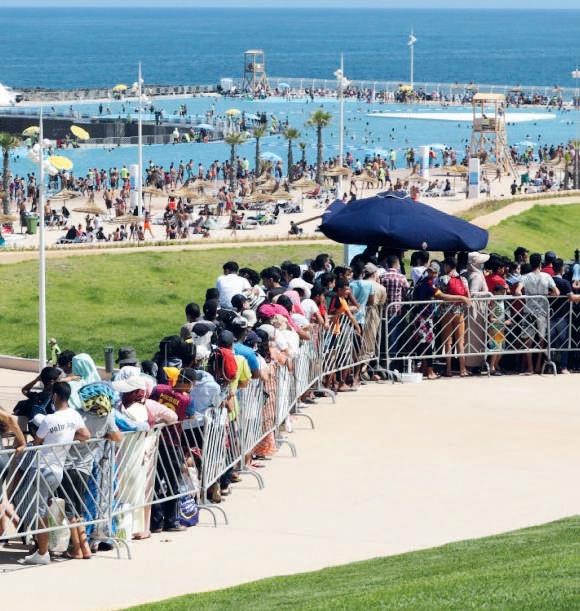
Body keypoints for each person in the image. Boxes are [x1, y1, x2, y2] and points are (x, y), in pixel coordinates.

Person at [22, 382, 90, 565]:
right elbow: (86, 435)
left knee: (39, 512)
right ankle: (41, 549)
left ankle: (42, 552)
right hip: (58, 469)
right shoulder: (74, 416)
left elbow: (37, 442)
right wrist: (67, 437)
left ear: (55, 396)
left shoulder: (49, 419)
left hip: (43, 468)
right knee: (42, 509)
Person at [521, 252, 559, 374]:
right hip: (542, 310)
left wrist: (526, 296)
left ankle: (530, 367)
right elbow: (557, 293)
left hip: (529, 310)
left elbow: (517, 291)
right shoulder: (546, 276)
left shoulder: (525, 277)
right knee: (541, 339)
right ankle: (538, 366)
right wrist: (547, 296)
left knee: (528, 340)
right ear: (540, 264)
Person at [438, 257, 472, 377]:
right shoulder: (463, 279)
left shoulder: (443, 278)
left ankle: (448, 369)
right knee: (460, 342)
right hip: (460, 312)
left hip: (446, 312)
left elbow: (439, 295)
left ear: (447, 266)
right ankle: (463, 369)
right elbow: (468, 295)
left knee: (448, 342)